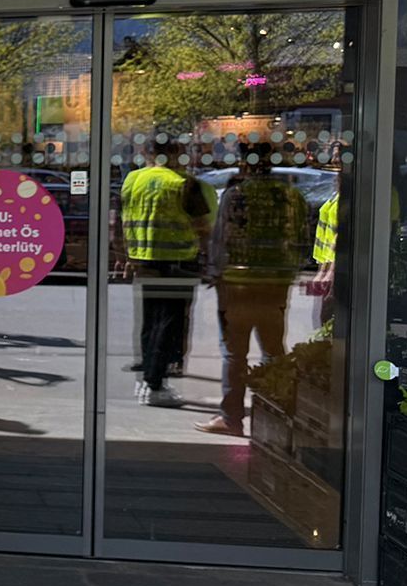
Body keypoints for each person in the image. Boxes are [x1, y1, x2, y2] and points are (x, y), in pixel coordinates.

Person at [195, 148, 313, 436]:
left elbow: (221, 239)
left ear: (245, 166)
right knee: (273, 349)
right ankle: (278, 413)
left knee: (235, 352)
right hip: (275, 284)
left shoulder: (236, 195)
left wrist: (214, 273)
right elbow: (302, 238)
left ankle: (231, 417)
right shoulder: (292, 197)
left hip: (238, 284)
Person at [117, 152, 210, 407]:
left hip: (143, 259)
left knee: (150, 321)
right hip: (178, 261)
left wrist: (125, 256)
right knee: (169, 323)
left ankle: (147, 378)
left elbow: (121, 221)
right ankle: (154, 383)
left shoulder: (132, 180)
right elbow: (202, 225)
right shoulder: (182, 182)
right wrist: (209, 257)